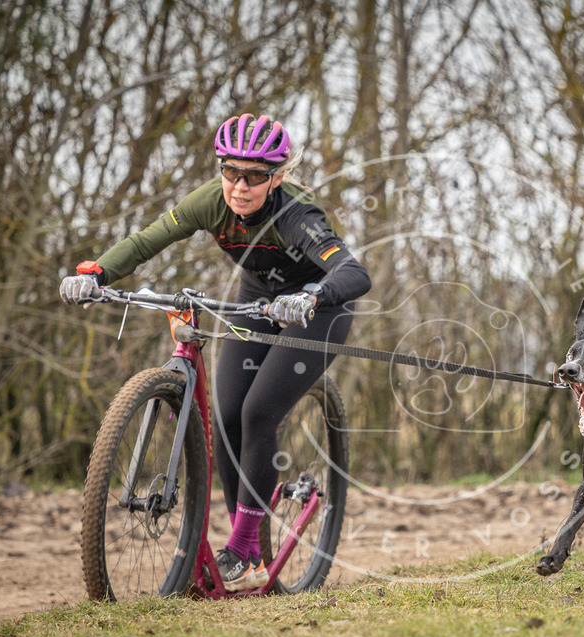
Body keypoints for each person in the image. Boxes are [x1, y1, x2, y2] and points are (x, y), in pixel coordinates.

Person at [61, 113, 372, 591]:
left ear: (279, 176)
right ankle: (243, 548)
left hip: (316, 309)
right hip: (253, 300)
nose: (240, 186)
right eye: (230, 171)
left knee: (258, 411)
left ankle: (245, 552)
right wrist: (96, 274)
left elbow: (353, 273)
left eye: (255, 176)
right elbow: (147, 241)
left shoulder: (297, 214)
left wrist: (310, 296)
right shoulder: (211, 201)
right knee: (224, 417)